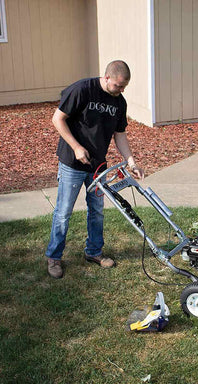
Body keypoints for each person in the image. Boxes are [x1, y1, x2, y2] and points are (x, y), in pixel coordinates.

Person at [46, 60, 144, 279]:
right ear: (107, 77)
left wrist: (131, 162)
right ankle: (54, 257)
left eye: (124, 87)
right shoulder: (82, 90)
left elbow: (120, 135)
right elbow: (57, 119)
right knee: (63, 212)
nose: (121, 90)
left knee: (97, 210)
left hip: (98, 164)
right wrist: (76, 147)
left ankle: (94, 252)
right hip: (72, 162)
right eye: (118, 85)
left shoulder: (120, 102)